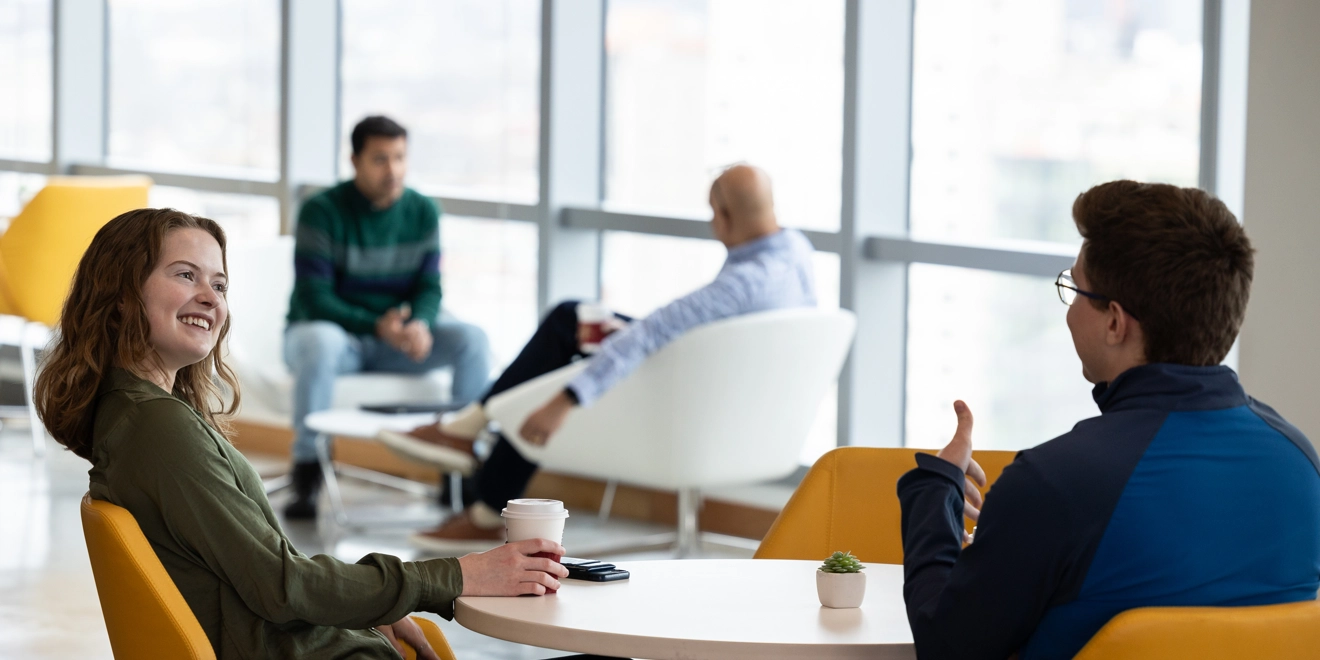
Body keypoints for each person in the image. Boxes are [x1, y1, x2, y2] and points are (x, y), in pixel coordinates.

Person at [33, 208, 567, 660]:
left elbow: (266, 576)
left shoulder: (133, 416)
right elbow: (282, 588)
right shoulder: (158, 429)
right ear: (122, 293)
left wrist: (368, 607)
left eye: (218, 284)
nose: (210, 298)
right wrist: (458, 576)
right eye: (185, 275)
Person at [897, 181, 1320, 659]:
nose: (1069, 312)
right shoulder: (1300, 463)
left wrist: (936, 489)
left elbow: (946, 648)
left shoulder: (1057, 482)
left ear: (1115, 323)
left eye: (1074, 289)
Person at [379, 164, 819, 551]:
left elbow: (653, 332)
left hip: (685, 408)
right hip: (733, 406)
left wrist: (564, 400)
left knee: (567, 321)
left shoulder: (739, 286)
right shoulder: (796, 253)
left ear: (722, 216)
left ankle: (471, 443)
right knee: (577, 321)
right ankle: (475, 459)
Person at [283, 115, 491, 519]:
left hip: (394, 341)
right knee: (321, 340)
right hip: (335, 340)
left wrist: (420, 324)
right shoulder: (320, 211)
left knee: (472, 340)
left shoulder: (423, 211)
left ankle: (461, 469)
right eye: (380, 159)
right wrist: (377, 326)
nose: (392, 170)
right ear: (354, 161)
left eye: (399, 157)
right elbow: (314, 298)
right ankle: (307, 469)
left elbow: (429, 288)